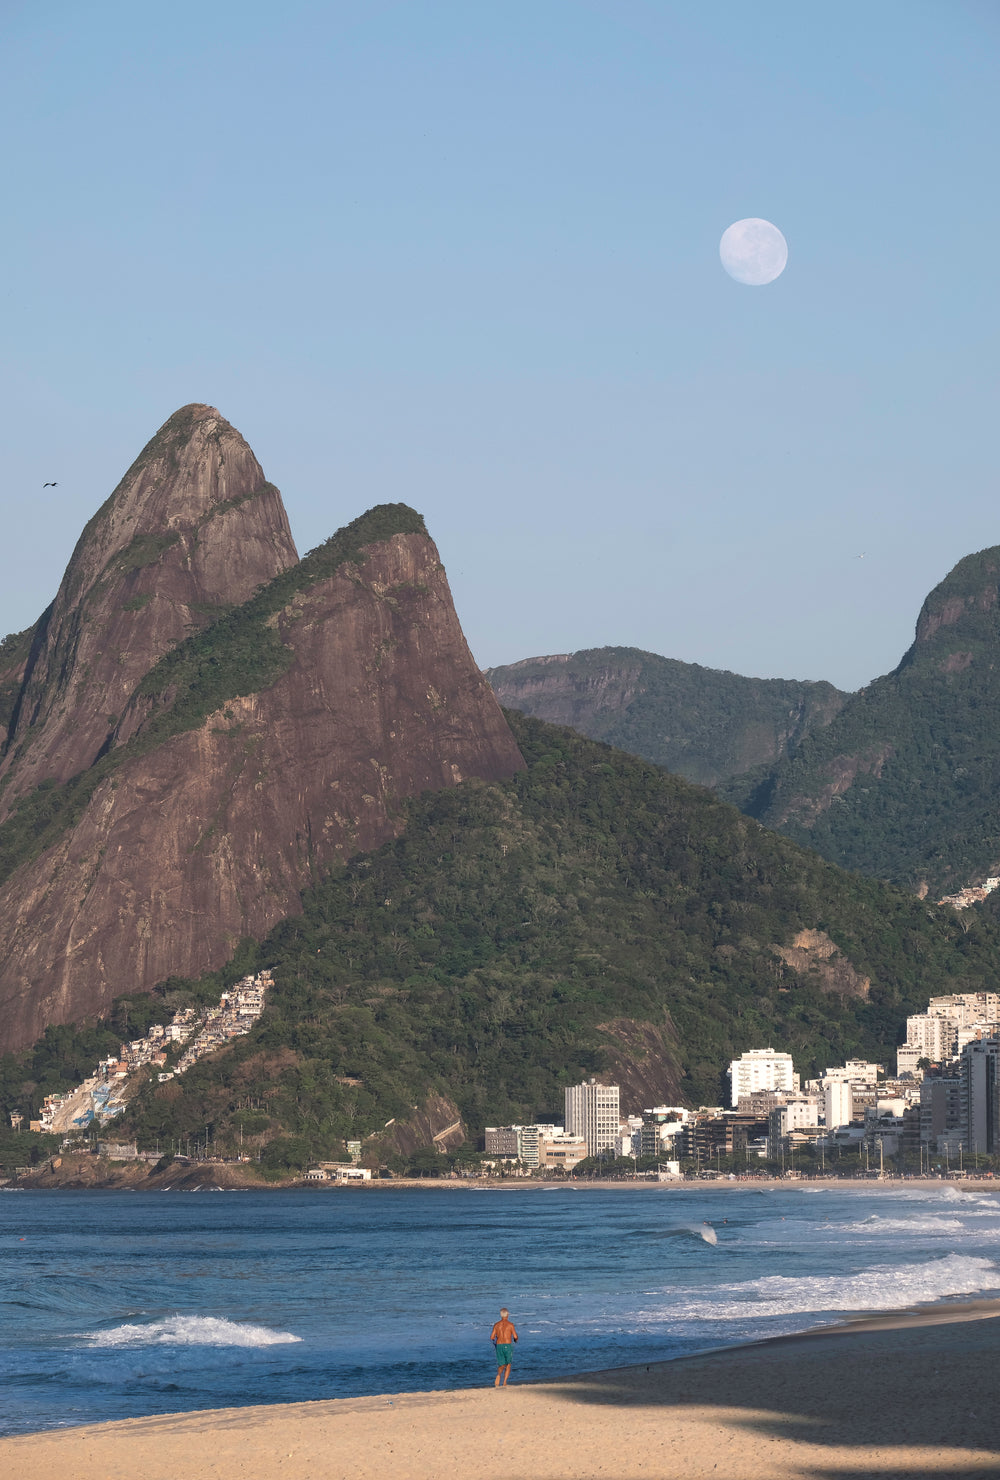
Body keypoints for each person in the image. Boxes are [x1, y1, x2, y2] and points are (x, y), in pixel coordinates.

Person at [490, 1306, 518, 1386]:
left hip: (499, 1345)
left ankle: (498, 1375)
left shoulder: (496, 1325)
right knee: (508, 1364)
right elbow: (515, 1336)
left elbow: (492, 1337)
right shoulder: (510, 1325)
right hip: (508, 1345)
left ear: (501, 1315)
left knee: (501, 1364)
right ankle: (504, 1382)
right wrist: (516, 1340)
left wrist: (497, 1340)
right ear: (507, 1315)